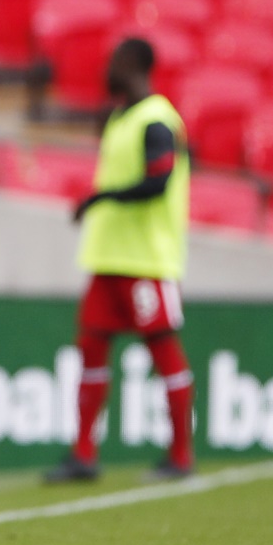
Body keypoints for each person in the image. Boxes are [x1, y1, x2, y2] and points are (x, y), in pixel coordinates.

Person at [45, 36, 194, 484]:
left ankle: (181, 456)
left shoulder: (157, 121)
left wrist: (101, 197)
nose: (108, 69)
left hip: (147, 259)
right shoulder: (118, 118)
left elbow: (158, 182)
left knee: (163, 349)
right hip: (107, 257)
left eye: (115, 60)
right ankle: (84, 453)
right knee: (91, 347)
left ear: (135, 64)